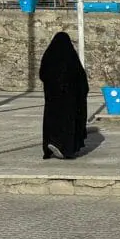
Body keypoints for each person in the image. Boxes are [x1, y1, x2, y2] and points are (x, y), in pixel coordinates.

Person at [39, 31, 88, 160]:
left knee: (52, 123)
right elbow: (81, 79)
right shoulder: (71, 58)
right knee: (68, 124)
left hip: (52, 99)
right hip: (70, 101)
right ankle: (66, 149)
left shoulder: (49, 56)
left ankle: (51, 144)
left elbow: (42, 74)